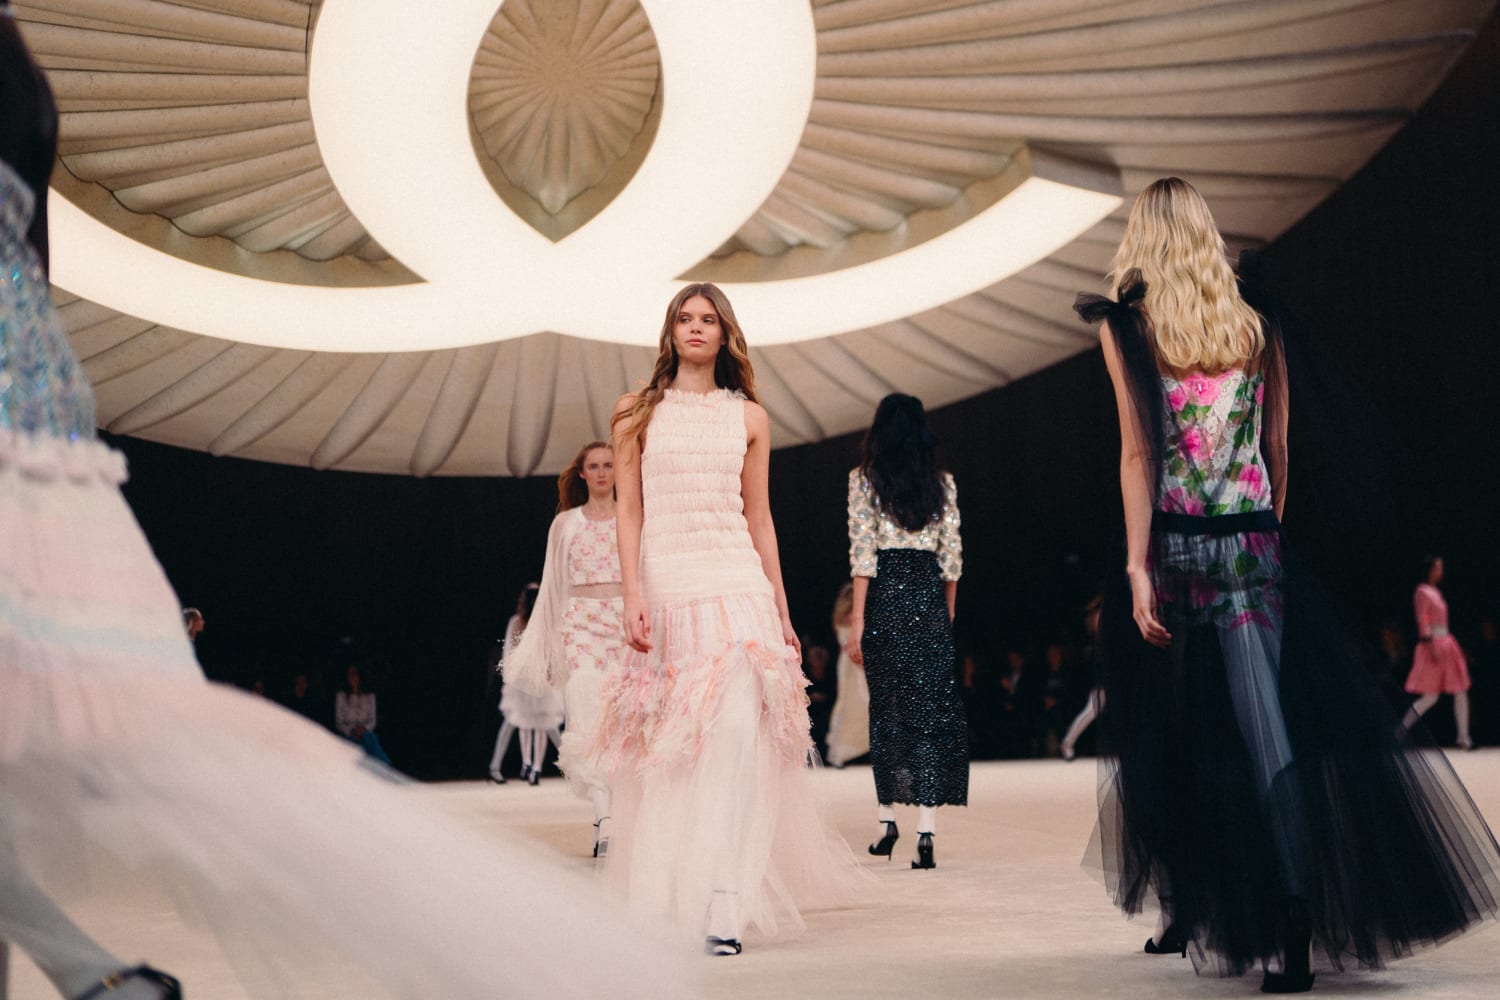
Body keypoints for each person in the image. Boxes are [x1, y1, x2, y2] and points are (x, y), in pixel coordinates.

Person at [0, 9, 693, 997]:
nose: (597, 473)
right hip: (37, 407)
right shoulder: (22, 80)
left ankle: (93, 969)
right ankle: (92, 969)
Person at [1076, 176, 1500, 991]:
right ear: (1206, 237)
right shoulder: (1256, 327)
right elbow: (1278, 448)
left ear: (1144, 238)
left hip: (1174, 548)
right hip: (1252, 550)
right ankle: (1297, 909)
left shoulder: (1128, 331)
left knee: (1181, 729)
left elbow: (1138, 456)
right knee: (1268, 729)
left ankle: (1191, 904)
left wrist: (1135, 567)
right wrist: (1265, 535)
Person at [586, 282, 858, 956]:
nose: (697, 328)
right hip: (670, 588)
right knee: (678, 754)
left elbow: (759, 518)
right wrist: (632, 593)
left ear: (725, 332)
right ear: (670, 330)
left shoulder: (750, 418)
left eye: (709, 319)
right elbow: (628, 512)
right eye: (686, 317)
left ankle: (726, 905)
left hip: (738, 586)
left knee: (738, 740)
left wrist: (784, 610)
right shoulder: (635, 413)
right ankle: (672, 896)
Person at [845, 393, 967, 869]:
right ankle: (927, 832)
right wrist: (947, 613)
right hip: (930, 595)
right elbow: (952, 556)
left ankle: (885, 821)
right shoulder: (943, 484)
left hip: (885, 598)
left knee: (887, 712)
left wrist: (857, 621)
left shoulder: (863, 482)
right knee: (930, 714)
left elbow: (863, 556)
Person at [502, 441, 625, 852]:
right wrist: (548, 648)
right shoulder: (566, 525)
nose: (603, 472)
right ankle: (606, 818)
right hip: (581, 632)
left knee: (621, 729)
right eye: (595, 466)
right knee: (587, 724)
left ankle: (606, 818)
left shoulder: (631, 517)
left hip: (624, 631)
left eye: (609, 465)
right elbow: (553, 587)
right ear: (583, 474)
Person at [488, 584, 564, 785]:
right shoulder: (530, 622)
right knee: (542, 724)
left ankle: (498, 767)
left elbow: (510, 652)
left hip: (531, 678)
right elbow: (513, 651)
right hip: (530, 678)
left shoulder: (536, 622)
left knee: (538, 724)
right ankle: (498, 767)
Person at [1401, 556, 1474, 749]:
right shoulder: (1422, 592)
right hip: (1434, 644)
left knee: (1460, 689)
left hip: (1446, 642)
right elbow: (1422, 619)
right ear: (1430, 570)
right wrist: (1430, 646)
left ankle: (1463, 736)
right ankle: (1400, 730)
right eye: (1438, 568)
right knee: (1431, 696)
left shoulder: (1435, 591)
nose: (1441, 571)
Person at [825, 582, 870, 768]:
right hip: (854, 662)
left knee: (849, 703)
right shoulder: (854, 618)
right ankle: (855, 748)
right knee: (860, 703)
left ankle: (845, 751)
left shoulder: (838, 618)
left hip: (845, 663)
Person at [335, 662, 392, 766]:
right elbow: (339, 722)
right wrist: (352, 730)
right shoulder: (341, 696)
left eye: (355, 673)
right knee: (367, 743)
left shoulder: (370, 696)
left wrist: (363, 729)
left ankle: (384, 768)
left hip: (366, 735)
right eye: (350, 674)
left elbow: (372, 721)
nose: (352, 677)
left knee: (370, 739)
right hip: (349, 736)